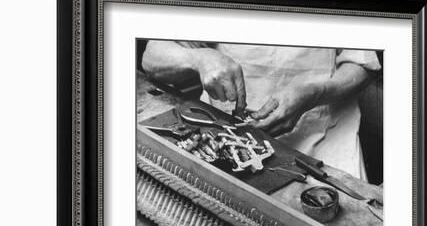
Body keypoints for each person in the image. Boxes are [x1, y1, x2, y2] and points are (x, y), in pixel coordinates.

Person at [141, 40, 381, 179]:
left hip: (324, 140)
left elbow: (362, 65)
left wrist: (314, 94)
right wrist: (199, 58)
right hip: (224, 139)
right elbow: (152, 57)